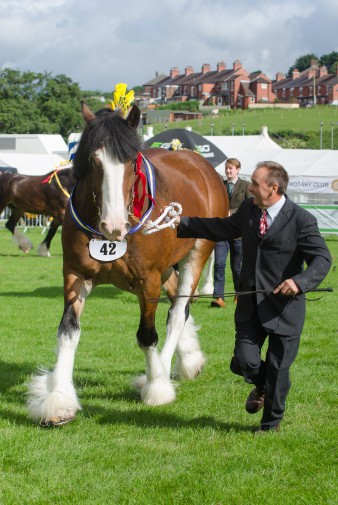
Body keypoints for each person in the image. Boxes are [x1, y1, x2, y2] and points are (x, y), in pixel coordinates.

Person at [174, 161, 332, 433]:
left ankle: (271, 424)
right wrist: (183, 223)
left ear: (273, 188)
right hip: (249, 304)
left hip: (285, 309)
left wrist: (299, 281)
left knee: (278, 367)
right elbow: (222, 228)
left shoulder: (302, 220)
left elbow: (322, 258)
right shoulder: (248, 209)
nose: (250, 188)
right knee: (243, 361)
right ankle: (263, 383)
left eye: (255, 184)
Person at [211, 158, 252, 308]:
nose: (228, 171)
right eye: (227, 168)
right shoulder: (219, 186)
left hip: (238, 234)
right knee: (219, 265)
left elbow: (250, 206)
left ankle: (239, 294)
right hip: (221, 233)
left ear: (238, 170)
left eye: (231, 169)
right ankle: (218, 298)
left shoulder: (246, 186)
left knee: (237, 267)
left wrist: (230, 212)